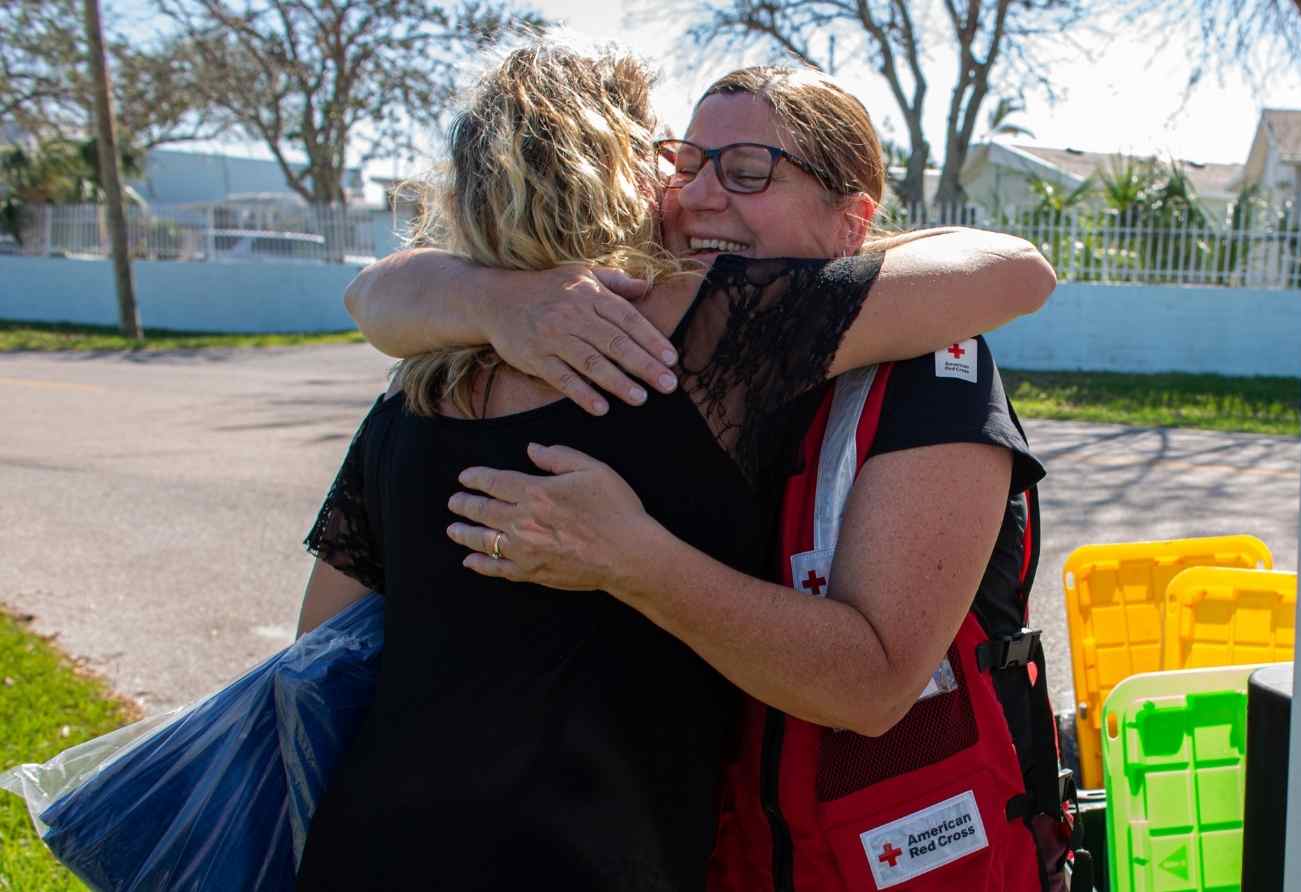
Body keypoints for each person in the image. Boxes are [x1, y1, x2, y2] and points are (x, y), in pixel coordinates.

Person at [294, 44, 1053, 891]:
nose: (694, 193)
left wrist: (476, 299)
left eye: (746, 169)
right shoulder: (695, 341)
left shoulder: (414, 392)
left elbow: (318, 653)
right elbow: (1017, 269)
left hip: (364, 846)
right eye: (682, 162)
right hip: (586, 857)